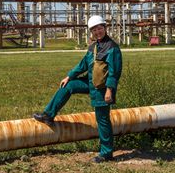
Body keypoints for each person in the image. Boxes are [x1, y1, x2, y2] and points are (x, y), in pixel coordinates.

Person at [33, 15, 123, 163]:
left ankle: (106, 153)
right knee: (68, 86)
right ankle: (48, 115)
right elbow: (83, 65)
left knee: (103, 120)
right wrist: (70, 76)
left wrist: (109, 90)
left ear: (105, 28)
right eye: (94, 30)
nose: (97, 31)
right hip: (90, 83)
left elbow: (115, 72)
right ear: (91, 32)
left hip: (102, 88)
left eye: (100, 28)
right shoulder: (93, 47)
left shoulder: (112, 48)